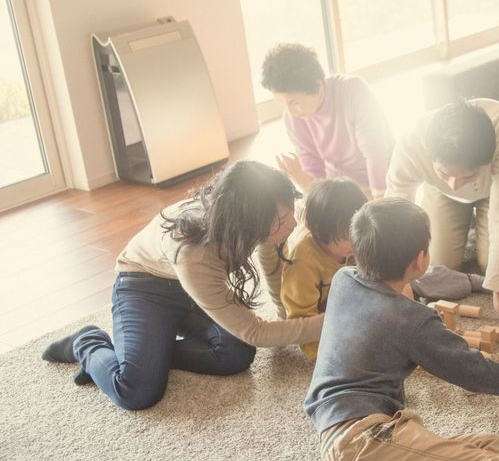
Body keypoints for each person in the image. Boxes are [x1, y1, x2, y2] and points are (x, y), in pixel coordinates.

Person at [41, 160, 324, 410]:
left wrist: (286, 314)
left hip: (193, 291)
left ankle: (148, 353)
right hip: (144, 287)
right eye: (284, 220)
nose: (293, 224)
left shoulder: (244, 216)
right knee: (137, 391)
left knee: (236, 354)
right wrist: (328, 320)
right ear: (249, 220)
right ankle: (87, 342)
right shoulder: (194, 254)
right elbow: (255, 331)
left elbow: (270, 255)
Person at [304, 198, 499, 460]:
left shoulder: (343, 279)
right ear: (420, 259)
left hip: (345, 426)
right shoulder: (411, 320)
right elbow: (470, 370)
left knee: (490, 445)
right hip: (362, 439)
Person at [385, 99, 499, 319]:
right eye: (444, 173)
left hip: (495, 189)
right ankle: (464, 217)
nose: (455, 184)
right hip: (439, 193)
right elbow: (395, 211)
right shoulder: (411, 141)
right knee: (436, 264)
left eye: (467, 175)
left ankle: (478, 219)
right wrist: (398, 278)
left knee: (491, 268)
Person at [261, 43, 394, 198]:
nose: (290, 111)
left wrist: (379, 197)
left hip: (382, 177)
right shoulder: (292, 118)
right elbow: (314, 170)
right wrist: (301, 178)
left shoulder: (354, 90)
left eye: (294, 102)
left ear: (318, 87)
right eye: (282, 103)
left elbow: (375, 152)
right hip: (342, 188)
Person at [281, 177, 369, 361]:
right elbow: (301, 321)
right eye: (347, 236)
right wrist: (325, 357)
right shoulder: (302, 263)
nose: (356, 241)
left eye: (359, 232)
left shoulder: (355, 242)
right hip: (312, 315)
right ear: (319, 231)